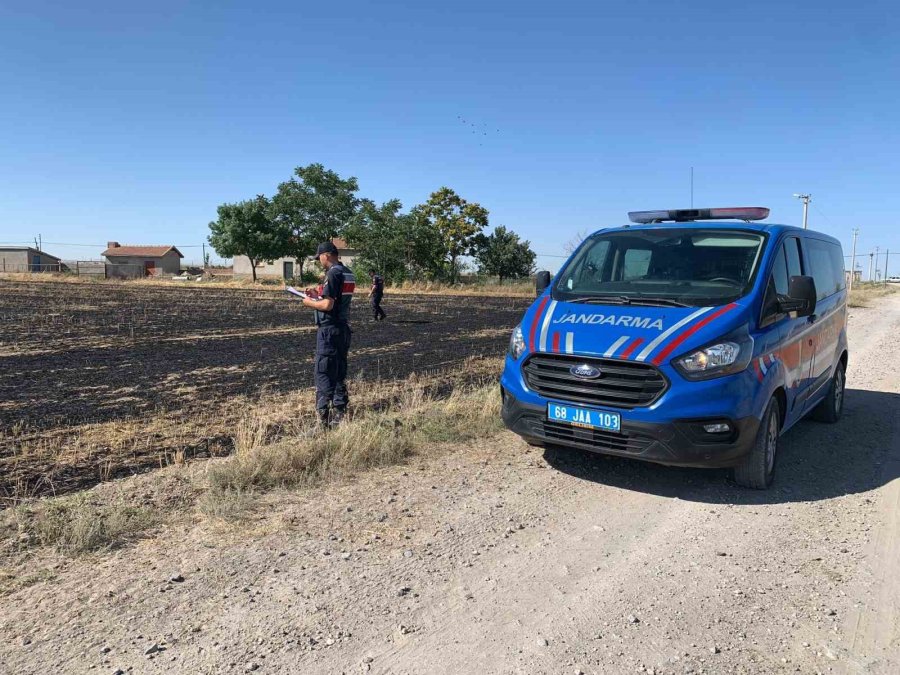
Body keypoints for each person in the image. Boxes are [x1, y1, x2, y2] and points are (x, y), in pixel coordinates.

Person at [302, 242, 355, 427]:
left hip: (329, 331)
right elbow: (337, 298)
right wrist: (318, 293)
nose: (319, 261)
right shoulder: (347, 272)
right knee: (339, 371)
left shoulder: (332, 273)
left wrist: (308, 302)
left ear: (326, 255)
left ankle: (322, 422)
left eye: (319, 258)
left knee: (323, 372)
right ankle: (341, 415)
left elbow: (327, 305)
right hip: (342, 329)